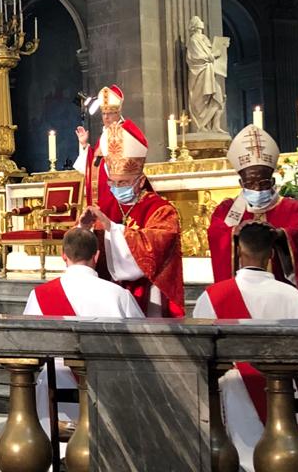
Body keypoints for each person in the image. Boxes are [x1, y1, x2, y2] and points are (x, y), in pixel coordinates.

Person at [194, 222, 298, 472]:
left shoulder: (214, 295)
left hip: (231, 392)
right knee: (281, 461)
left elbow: (200, 354)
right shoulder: (292, 295)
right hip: (282, 391)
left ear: (239, 251)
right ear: (271, 254)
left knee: (236, 462)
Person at [24, 228, 144, 440]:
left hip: (56, 383)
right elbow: (141, 342)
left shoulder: (41, 295)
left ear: (63, 255)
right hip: (109, 385)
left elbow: (29, 344)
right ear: (96, 256)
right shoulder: (119, 295)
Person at [78, 121, 184, 317]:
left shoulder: (162, 210)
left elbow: (153, 251)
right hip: (109, 295)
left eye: (123, 182)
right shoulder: (105, 207)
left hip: (150, 294)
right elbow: (83, 250)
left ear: (141, 181)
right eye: (113, 182)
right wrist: (83, 229)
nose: (117, 188)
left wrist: (112, 228)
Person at [208, 125, 298, 309]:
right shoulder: (227, 210)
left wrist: (281, 234)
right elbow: (215, 232)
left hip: (282, 295)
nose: (257, 188)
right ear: (241, 183)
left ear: (273, 181)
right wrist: (234, 232)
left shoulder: (290, 207)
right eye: (250, 183)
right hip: (240, 298)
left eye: (264, 182)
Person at [73, 85, 138, 213]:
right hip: (101, 192)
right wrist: (84, 145)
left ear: (118, 113)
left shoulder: (125, 131)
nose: (106, 117)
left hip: (116, 191)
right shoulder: (105, 134)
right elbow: (94, 162)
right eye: (103, 113)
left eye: (110, 113)